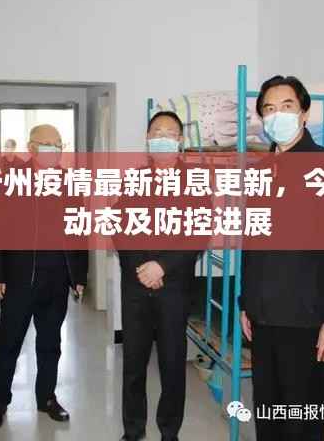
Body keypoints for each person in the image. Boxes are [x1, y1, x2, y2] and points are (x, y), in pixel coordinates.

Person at [239, 76, 324, 440]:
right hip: (264, 320)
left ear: (304, 113)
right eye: (269, 109)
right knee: (269, 418)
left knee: (304, 424)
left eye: (287, 106)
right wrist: (246, 302)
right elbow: (251, 243)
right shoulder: (259, 171)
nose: (277, 114)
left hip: (309, 323)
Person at [0, 124, 88, 429]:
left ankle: (47, 398)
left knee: (50, 344)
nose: (53, 150)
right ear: (31, 147)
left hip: (57, 279)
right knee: (9, 343)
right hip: (20, 277)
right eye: (47, 144)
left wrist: (79, 276)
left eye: (58, 144)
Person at [116, 112, 205, 441]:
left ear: (180, 140)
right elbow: (120, 228)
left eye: (170, 132)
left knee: (172, 364)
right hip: (135, 287)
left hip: (174, 288)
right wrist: (142, 269)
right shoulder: (134, 179)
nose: (163, 137)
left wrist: (162, 267)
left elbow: (198, 233)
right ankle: (133, 430)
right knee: (133, 363)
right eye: (157, 131)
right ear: (147, 138)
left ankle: (170, 432)